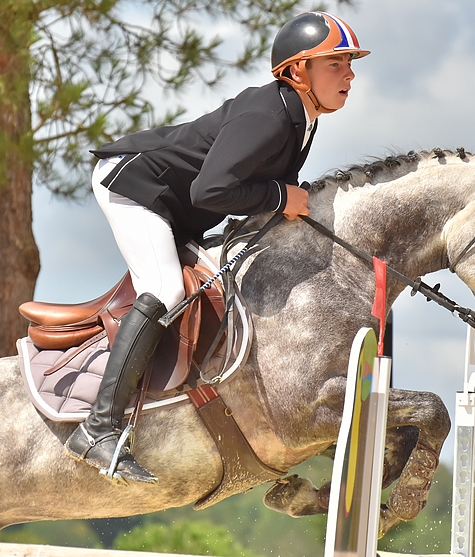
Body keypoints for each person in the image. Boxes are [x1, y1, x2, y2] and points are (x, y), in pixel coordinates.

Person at [64, 11, 369, 485]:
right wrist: (280, 197)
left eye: (350, 62)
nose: (349, 73)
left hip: (176, 203)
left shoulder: (301, 117)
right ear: (296, 71)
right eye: (335, 62)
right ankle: (98, 428)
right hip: (134, 185)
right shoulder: (268, 117)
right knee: (164, 291)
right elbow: (212, 191)